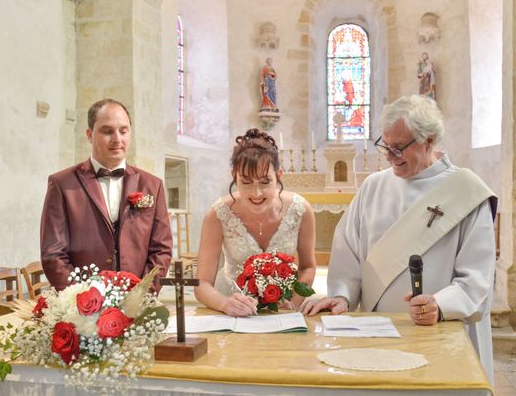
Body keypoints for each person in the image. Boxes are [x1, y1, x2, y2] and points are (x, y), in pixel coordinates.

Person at [302, 95, 497, 379]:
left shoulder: (467, 192)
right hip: (376, 334)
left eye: (399, 148)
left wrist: (441, 305)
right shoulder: (373, 187)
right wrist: (342, 296)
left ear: (429, 140)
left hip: (441, 333)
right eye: (385, 145)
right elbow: (348, 253)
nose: (390, 156)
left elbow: (477, 276)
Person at [40, 98, 172, 290]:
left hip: (137, 302)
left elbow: (161, 249)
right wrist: (82, 299)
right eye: (107, 131)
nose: (117, 139)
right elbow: (53, 253)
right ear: (89, 135)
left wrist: (141, 294)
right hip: (82, 307)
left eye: (123, 131)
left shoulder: (152, 185)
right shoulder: (62, 184)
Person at [195, 128, 316, 316]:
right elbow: (202, 284)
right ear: (234, 176)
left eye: (265, 182)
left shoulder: (301, 210)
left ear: (279, 176)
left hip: (283, 308)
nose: (256, 193)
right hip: (231, 305)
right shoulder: (218, 215)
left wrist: (294, 301)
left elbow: (308, 267)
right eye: (246, 182)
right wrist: (226, 304)